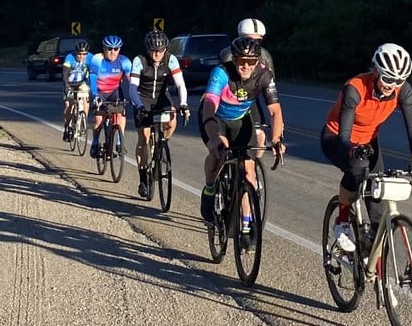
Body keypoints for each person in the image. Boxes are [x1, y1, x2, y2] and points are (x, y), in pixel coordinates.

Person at [320, 43, 412, 253]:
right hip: (337, 138)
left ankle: (376, 268)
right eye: (387, 78)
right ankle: (342, 220)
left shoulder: (401, 90)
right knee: (356, 168)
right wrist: (351, 151)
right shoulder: (355, 88)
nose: (391, 85)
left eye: (398, 81)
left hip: (368, 141)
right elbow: (343, 136)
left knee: (377, 204)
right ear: (375, 71)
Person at [198, 35, 285, 231]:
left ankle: (246, 224)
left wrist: (277, 140)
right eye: (241, 61)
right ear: (234, 59)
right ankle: (210, 187)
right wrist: (213, 139)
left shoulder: (264, 75)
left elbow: (275, 111)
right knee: (219, 151)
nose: (245, 66)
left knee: (248, 170)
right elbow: (209, 107)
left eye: (250, 62)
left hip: (240, 119)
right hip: (216, 118)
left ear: (257, 61)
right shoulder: (220, 74)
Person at [128, 30, 191, 199]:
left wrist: (183, 104)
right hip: (143, 97)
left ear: (165, 49)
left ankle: (162, 143)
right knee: (144, 136)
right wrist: (139, 105)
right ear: (147, 49)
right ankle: (143, 178)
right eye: (153, 51)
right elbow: (132, 87)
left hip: (162, 97)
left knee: (172, 119)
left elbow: (180, 85)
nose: (156, 54)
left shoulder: (170, 59)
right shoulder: (139, 60)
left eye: (160, 50)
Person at [219, 18, 274, 154]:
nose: (255, 43)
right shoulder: (227, 55)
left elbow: (271, 91)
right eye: (251, 39)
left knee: (260, 138)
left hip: (251, 100)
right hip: (231, 100)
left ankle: (251, 168)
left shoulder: (265, 56)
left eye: (259, 41)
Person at [88, 35, 133, 158]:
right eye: (109, 48)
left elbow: (131, 81)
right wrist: (95, 95)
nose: (112, 52)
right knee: (98, 120)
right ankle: (95, 142)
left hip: (115, 91)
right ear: (104, 48)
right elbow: (92, 78)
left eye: (116, 49)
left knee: (121, 113)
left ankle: (119, 141)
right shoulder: (98, 59)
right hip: (100, 91)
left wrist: (135, 96)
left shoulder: (124, 61)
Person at [61, 39, 93, 142]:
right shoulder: (69, 57)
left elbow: (94, 73)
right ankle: (67, 125)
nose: (81, 56)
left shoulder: (90, 58)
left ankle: (83, 120)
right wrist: (66, 86)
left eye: (84, 54)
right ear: (76, 52)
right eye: (79, 54)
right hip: (70, 83)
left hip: (82, 82)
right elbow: (65, 73)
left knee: (85, 98)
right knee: (68, 106)